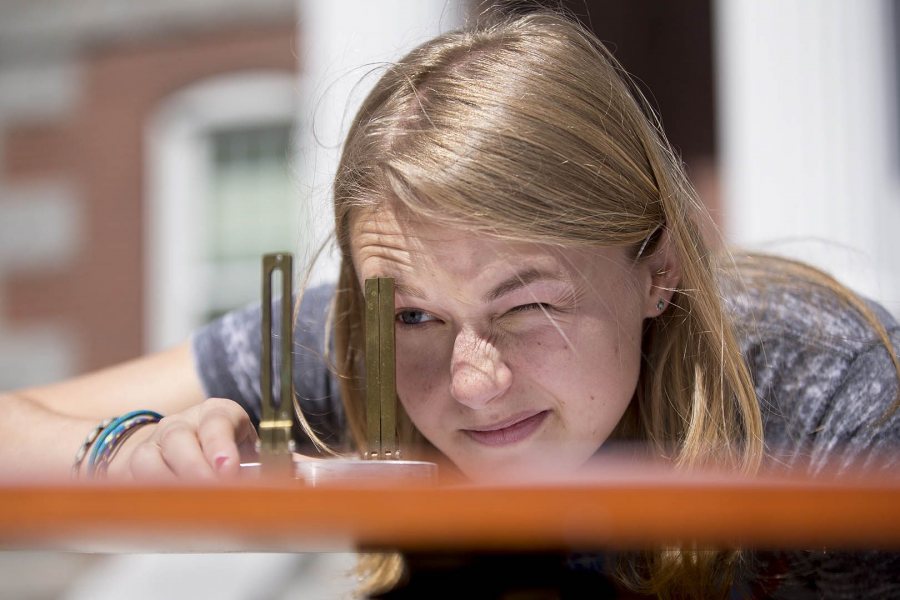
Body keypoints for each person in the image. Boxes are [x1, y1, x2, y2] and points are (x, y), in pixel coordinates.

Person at [1, 7, 898, 599]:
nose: (471, 384)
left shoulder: (839, 402)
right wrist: (118, 455)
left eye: (527, 307)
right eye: (417, 317)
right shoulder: (365, 344)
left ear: (658, 267)